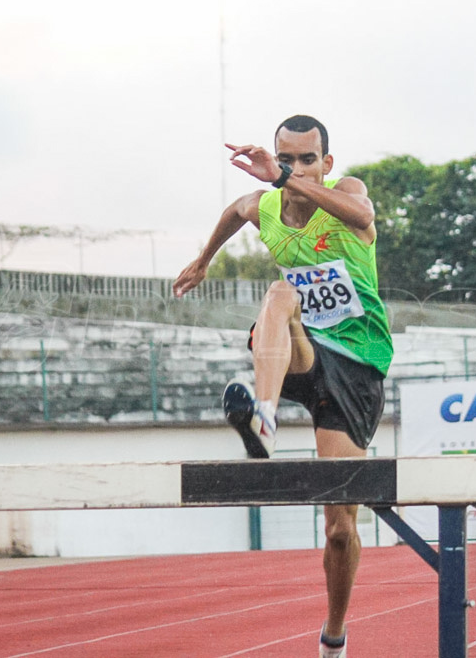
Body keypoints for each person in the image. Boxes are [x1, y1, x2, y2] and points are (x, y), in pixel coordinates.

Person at [172, 115, 393, 658]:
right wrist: (203, 261)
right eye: (286, 158)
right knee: (277, 294)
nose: (295, 168)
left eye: (306, 159)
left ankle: (334, 637)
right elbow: (235, 212)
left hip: (356, 365)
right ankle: (263, 419)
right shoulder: (264, 206)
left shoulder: (346, 194)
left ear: (326, 164)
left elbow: (364, 214)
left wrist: (282, 180)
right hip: (302, 351)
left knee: (340, 529)